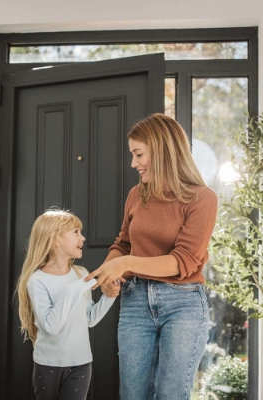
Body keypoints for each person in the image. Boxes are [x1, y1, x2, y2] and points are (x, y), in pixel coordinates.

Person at [85, 113, 218, 400]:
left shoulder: (202, 198)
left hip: (182, 304)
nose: (134, 163)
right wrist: (110, 274)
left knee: (171, 395)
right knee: (132, 395)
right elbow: (123, 244)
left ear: (162, 150)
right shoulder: (137, 194)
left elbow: (183, 261)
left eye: (138, 154)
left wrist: (127, 263)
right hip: (134, 302)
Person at [16, 208, 119, 400]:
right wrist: (75, 288)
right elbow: (51, 326)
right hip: (48, 365)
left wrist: (110, 297)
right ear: (56, 239)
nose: (83, 238)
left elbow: (89, 319)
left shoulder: (81, 273)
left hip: (81, 363)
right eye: (76, 232)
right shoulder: (37, 280)